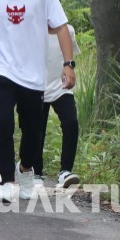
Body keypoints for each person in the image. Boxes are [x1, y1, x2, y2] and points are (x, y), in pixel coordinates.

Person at [0, 0, 75, 204]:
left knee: (33, 130)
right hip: (0, 67)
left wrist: (68, 64)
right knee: (0, 122)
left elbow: (61, 28)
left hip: (33, 73)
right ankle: (7, 180)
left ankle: (25, 169)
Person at [36, 23, 81, 188]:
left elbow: (70, 57)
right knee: (36, 129)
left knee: (71, 123)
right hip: (36, 85)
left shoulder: (68, 30)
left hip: (60, 86)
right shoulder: (33, 28)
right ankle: (36, 172)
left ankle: (65, 171)